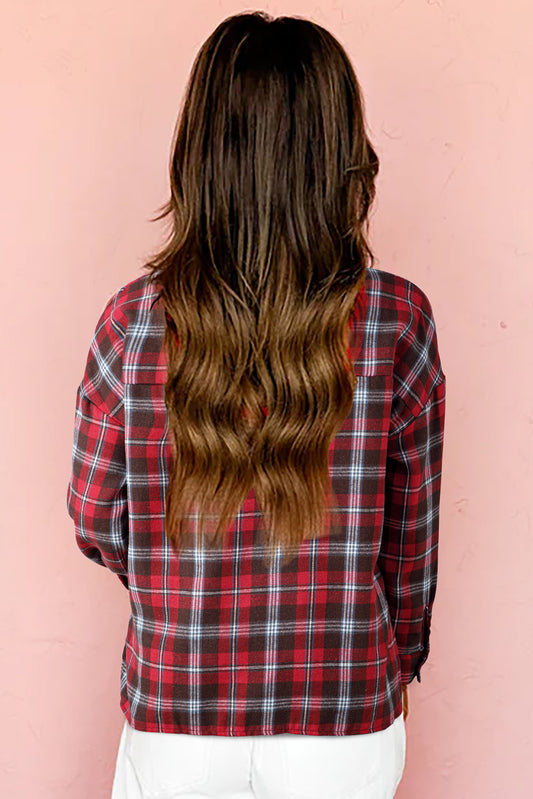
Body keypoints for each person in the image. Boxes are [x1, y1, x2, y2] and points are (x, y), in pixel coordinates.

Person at [66, 11, 446, 799]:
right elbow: (409, 543)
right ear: (337, 154)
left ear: (202, 152)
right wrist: (395, 660)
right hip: (343, 717)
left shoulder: (133, 321)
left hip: (177, 714)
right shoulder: (396, 319)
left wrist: (182, 583)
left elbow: (95, 516)